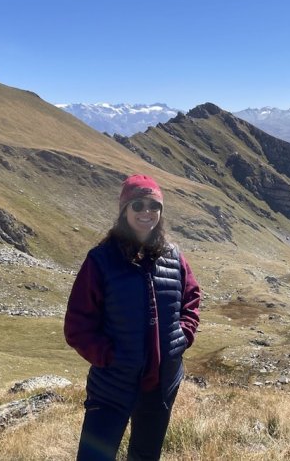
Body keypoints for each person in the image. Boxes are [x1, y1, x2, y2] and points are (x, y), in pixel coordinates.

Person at [64, 174, 201, 460]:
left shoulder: (174, 256)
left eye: (154, 205)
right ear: (124, 210)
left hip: (162, 384)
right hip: (113, 383)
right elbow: (78, 324)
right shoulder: (101, 260)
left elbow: (191, 299)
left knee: (145, 455)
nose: (147, 212)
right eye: (138, 205)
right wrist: (109, 357)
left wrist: (182, 337)